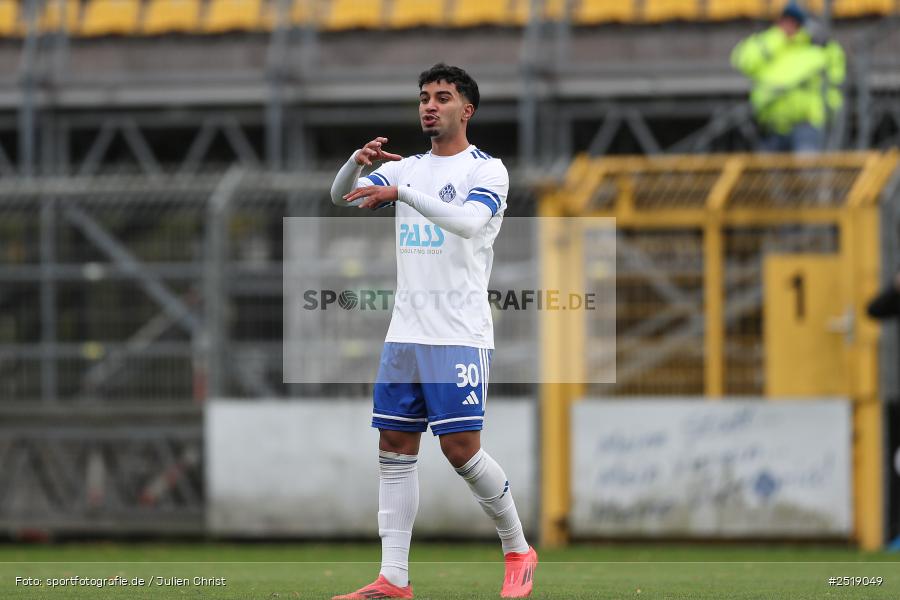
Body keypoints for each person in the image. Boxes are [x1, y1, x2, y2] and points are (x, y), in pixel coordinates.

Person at [328, 63, 537, 599]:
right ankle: (393, 577)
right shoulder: (409, 167)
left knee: (461, 450)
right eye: (424, 96)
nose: (429, 105)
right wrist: (357, 164)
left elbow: (468, 223)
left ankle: (518, 548)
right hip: (406, 333)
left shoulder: (487, 170)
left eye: (442, 97)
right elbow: (339, 196)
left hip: (459, 332)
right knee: (395, 447)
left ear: (465, 110)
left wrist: (401, 193)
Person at [731, 2, 846, 153]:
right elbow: (742, 59)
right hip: (771, 125)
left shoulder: (818, 47)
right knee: (766, 175)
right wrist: (779, 37)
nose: (789, 24)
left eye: (795, 20)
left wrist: (828, 111)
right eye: (786, 18)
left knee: (807, 172)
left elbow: (836, 77)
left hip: (807, 125)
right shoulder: (769, 41)